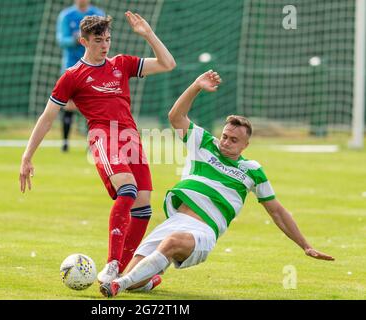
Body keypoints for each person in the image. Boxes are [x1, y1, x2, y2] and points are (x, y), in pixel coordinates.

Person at [100, 70, 335, 297]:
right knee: (136, 279)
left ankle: (118, 285)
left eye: (234, 140)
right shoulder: (204, 143)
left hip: (203, 231)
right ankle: (145, 280)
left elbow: (277, 212)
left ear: (245, 145)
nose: (226, 142)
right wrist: (196, 87)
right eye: (225, 136)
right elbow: (176, 117)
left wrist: (305, 245)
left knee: (165, 248)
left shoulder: (252, 170)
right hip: (176, 221)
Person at [19, 12, 176, 287]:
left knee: (143, 210)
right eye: (98, 40)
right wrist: (27, 156)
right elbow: (47, 117)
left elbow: (167, 64)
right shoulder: (72, 76)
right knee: (127, 190)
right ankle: (113, 265)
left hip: (131, 138)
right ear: (83, 41)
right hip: (103, 136)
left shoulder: (122, 64)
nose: (105, 45)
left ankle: (126, 278)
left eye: (108, 39)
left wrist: (148, 34)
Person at [56, 0, 105, 152]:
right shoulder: (66, 15)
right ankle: (65, 142)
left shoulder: (98, 14)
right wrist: (75, 39)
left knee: (93, 105)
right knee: (69, 105)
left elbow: (104, 37)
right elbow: (61, 39)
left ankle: (91, 143)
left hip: (93, 66)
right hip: (72, 66)